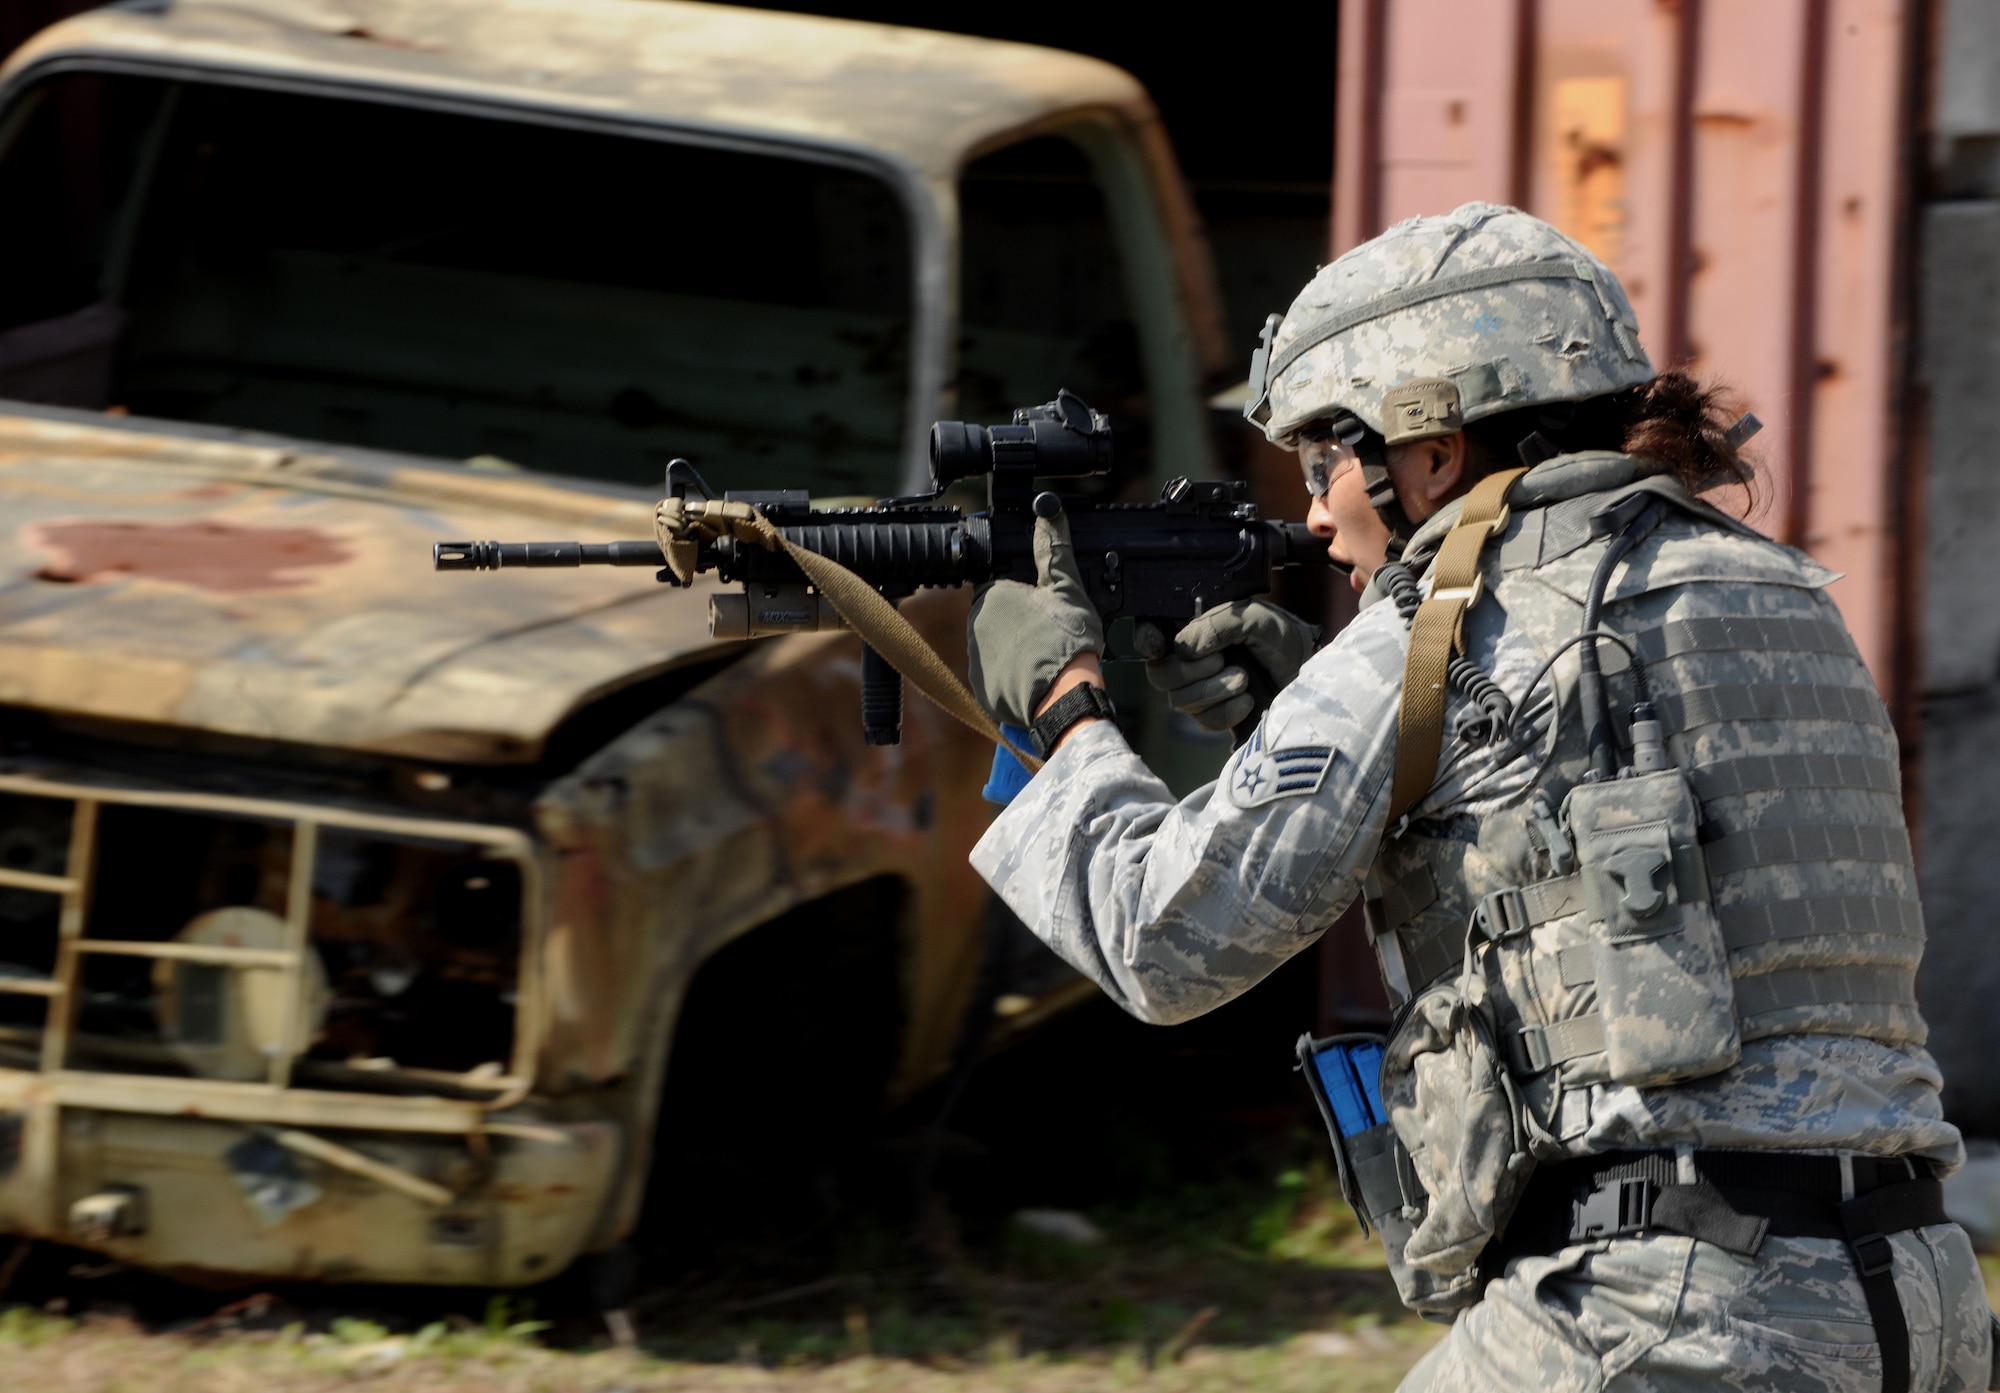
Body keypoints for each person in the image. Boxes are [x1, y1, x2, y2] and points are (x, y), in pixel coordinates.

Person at [964, 202, 1995, 1392]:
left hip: (1665, 1315)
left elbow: (1164, 937)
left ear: (1432, 452)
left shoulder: (1439, 624)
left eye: (1322, 460)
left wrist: (1066, 710)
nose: (1309, 511)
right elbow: (1584, 790)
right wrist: (1302, 708)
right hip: (1910, 1302)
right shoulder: (1779, 597)